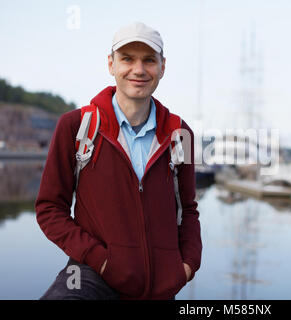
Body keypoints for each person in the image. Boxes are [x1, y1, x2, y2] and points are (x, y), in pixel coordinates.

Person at [35, 22, 202, 300]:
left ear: (162, 67)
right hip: (92, 274)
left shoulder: (180, 133)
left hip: (160, 284)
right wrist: (99, 259)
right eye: (127, 59)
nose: (138, 70)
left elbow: (188, 210)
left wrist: (187, 266)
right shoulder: (76, 126)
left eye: (149, 60)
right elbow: (50, 208)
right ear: (111, 64)